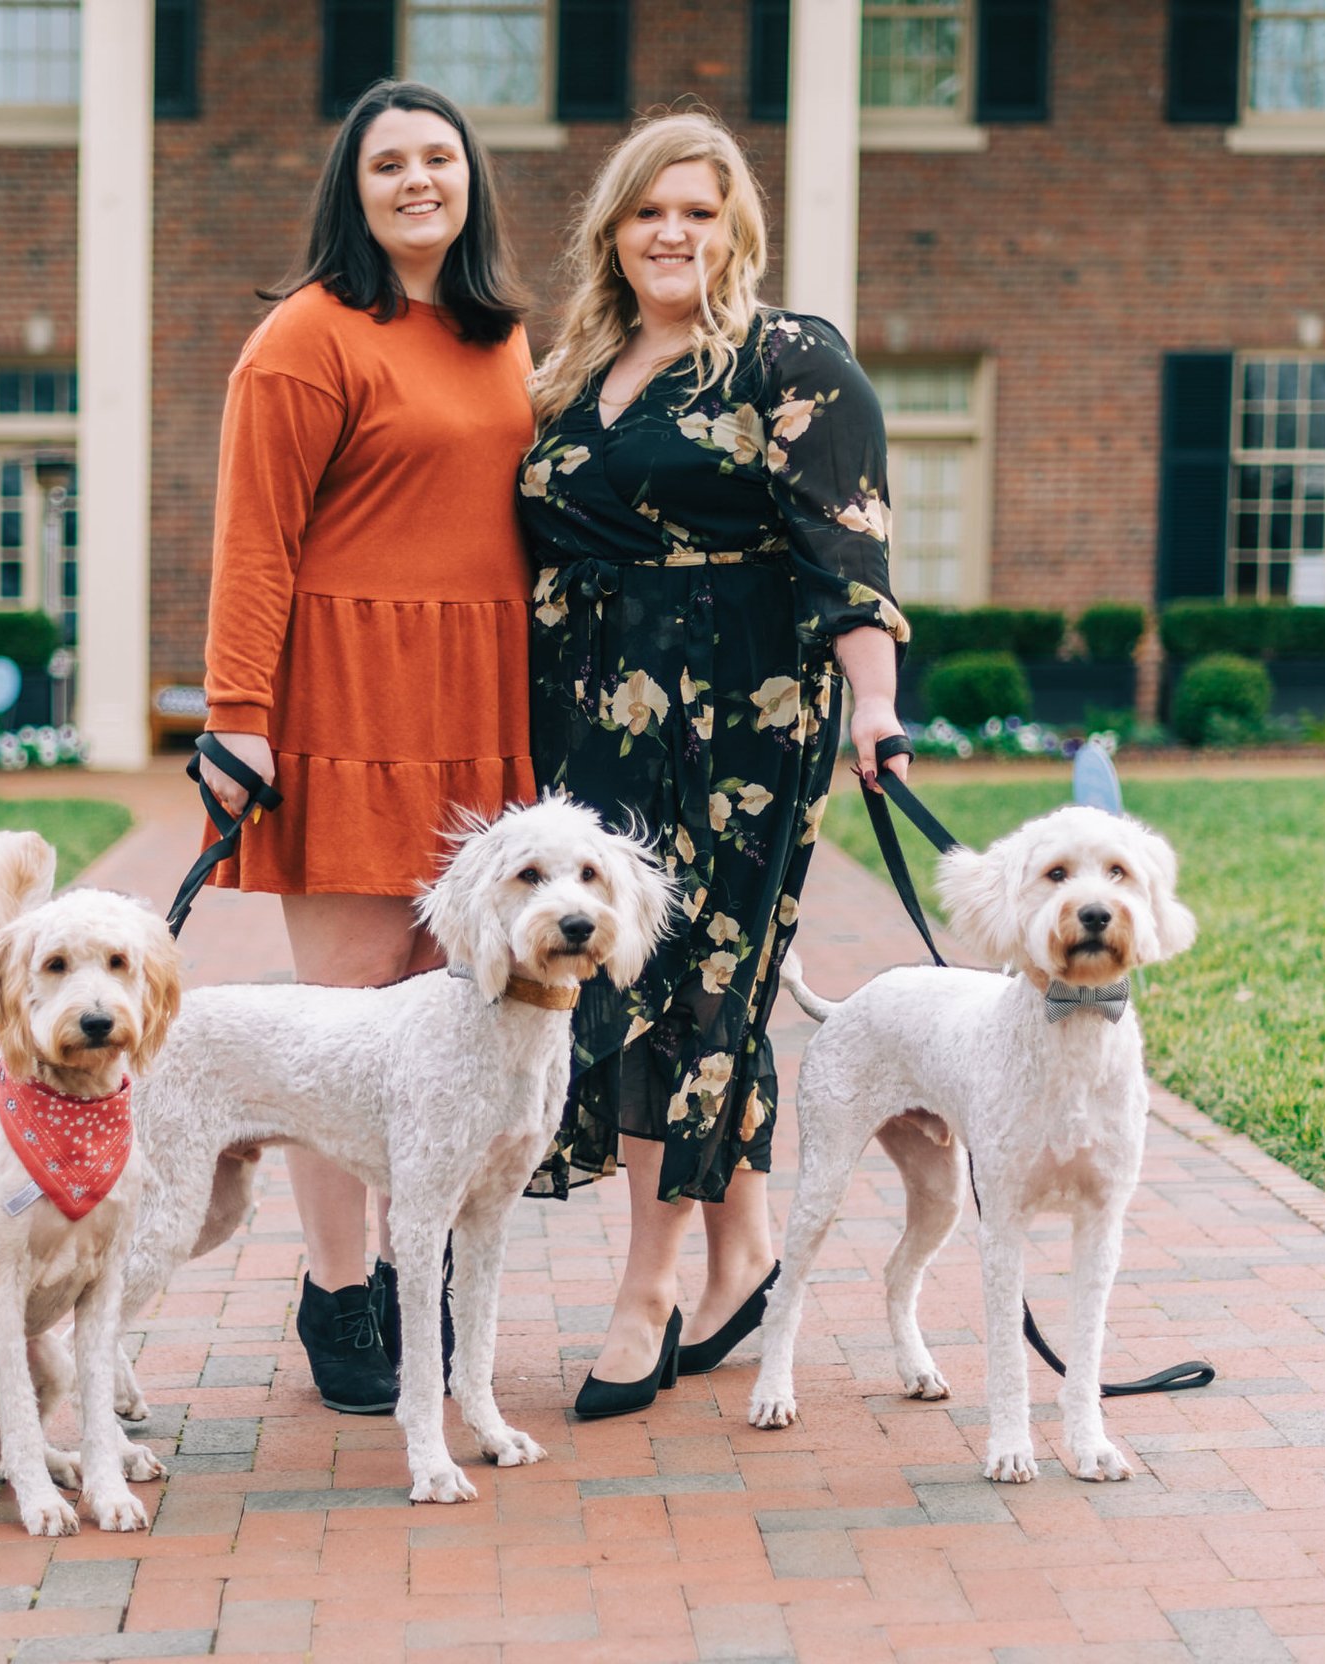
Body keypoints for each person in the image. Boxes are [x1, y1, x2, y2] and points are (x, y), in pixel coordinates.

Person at [518, 112, 910, 1417]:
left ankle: (651, 1286)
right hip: (590, 728)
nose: (672, 233)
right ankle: (744, 1250)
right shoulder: (577, 367)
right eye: (647, 212)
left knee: (699, 991)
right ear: (612, 233)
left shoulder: (789, 360)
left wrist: (875, 712)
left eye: (698, 210)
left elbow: (848, 555)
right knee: (618, 978)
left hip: (738, 727)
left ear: (734, 225)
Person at [198, 80, 535, 1414]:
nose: (415, 181)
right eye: (387, 163)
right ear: (355, 187)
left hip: (477, 706)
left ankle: (423, 1279)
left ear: (469, 182)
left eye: (437, 160)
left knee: (454, 1026)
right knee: (338, 1035)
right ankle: (340, 1290)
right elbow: (253, 537)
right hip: (343, 699)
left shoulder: (501, 338)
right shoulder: (304, 335)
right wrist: (236, 717)